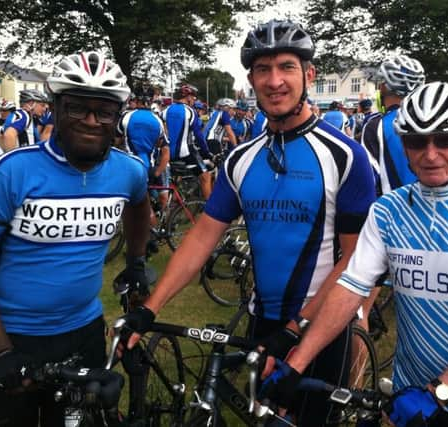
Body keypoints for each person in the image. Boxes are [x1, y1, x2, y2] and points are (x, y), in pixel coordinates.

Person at [118, 19, 375, 426]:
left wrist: (296, 328)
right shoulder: (240, 159)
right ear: (251, 80)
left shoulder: (345, 155)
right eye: (262, 69)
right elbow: (203, 236)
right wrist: (149, 309)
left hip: (321, 327)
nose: (275, 81)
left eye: (286, 67)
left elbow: (356, 260)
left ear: (308, 75)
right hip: (262, 322)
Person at [266, 81, 448, 427]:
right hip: (409, 400)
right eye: (416, 141)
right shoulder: (388, 211)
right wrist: (296, 364)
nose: (430, 153)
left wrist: (439, 391)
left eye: (445, 140)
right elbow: (350, 290)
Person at [0, 50, 150, 426]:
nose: (92, 122)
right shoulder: (12, 172)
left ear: (116, 118)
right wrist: (0, 353)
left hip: (84, 335)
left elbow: (140, 208)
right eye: (78, 108)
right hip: (12, 337)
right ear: (56, 107)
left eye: (104, 112)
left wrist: (137, 261)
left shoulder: (130, 171)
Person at [362, 54, 426, 196]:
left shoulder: (375, 125)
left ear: (384, 87)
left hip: (392, 210)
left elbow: (368, 178)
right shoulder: (433, 119)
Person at [116, 94, 169, 229]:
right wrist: (157, 172)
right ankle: (160, 228)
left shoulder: (126, 116)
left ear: (136, 102)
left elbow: (116, 141)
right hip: (149, 166)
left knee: (142, 205)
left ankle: (151, 237)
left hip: (130, 166)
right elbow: (165, 150)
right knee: (152, 200)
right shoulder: (157, 120)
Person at [163, 83, 214, 199]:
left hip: (168, 153)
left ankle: (175, 201)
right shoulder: (191, 111)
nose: (194, 99)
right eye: (193, 97)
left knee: (174, 177)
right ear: (188, 97)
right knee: (205, 177)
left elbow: (163, 131)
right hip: (185, 153)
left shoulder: (167, 110)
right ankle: (210, 210)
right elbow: (199, 136)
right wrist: (206, 153)